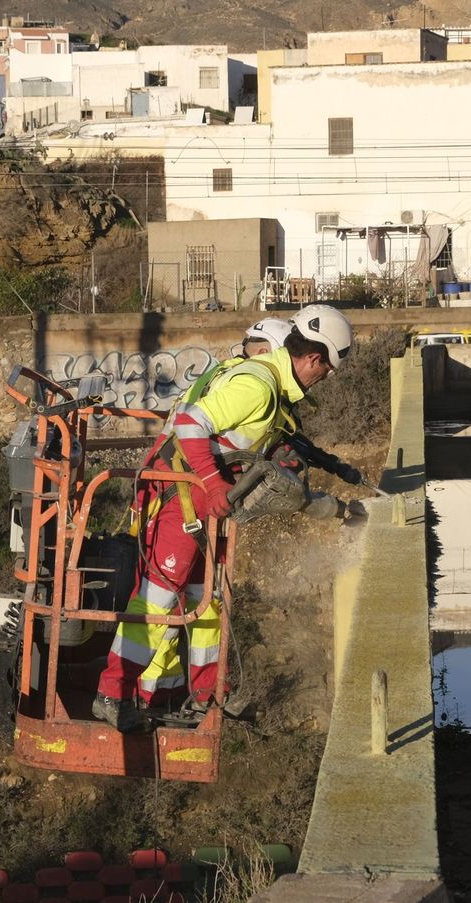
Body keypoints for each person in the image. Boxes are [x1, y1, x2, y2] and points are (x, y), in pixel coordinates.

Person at [92, 305, 357, 733]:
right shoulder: (258, 385)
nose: (322, 380)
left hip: (200, 502)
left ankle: (207, 694)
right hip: (184, 495)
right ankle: (112, 694)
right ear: (313, 359)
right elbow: (190, 423)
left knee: (203, 600)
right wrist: (215, 485)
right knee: (158, 599)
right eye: (325, 371)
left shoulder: (269, 384)